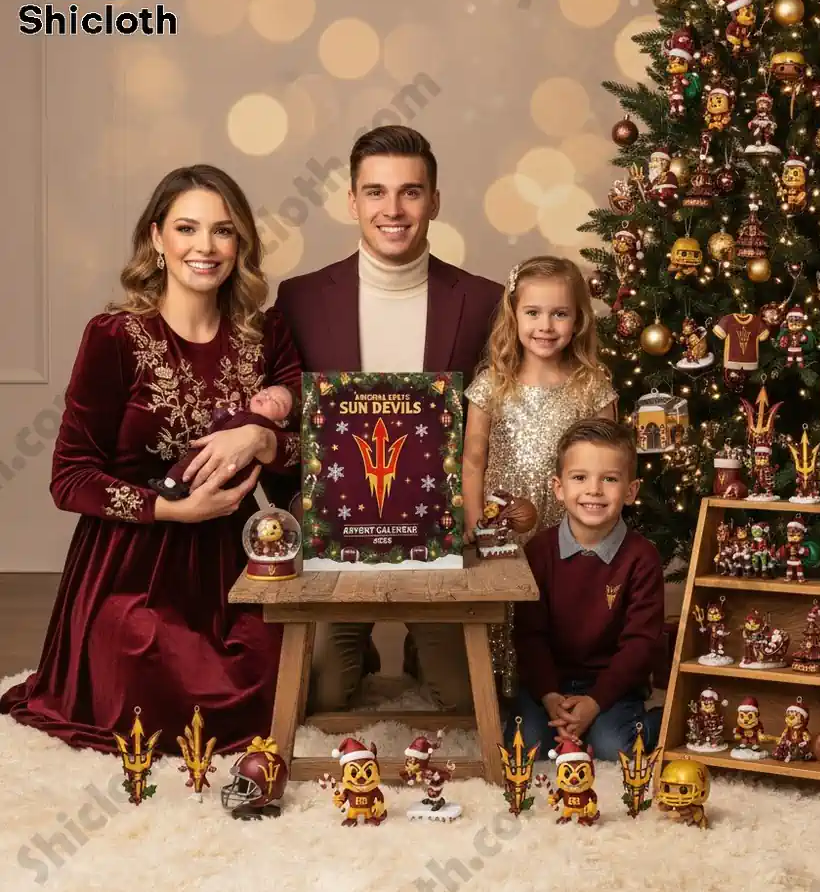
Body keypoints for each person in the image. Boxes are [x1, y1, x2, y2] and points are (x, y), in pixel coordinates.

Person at [0, 165, 302, 755]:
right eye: (187, 228)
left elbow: (306, 456)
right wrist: (173, 510)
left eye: (222, 231)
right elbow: (69, 478)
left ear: (239, 244)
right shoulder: (113, 336)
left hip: (236, 560)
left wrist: (262, 441)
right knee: (149, 664)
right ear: (157, 238)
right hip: (133, 562)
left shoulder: (265, 335)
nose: (204, 246)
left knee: (276, 669)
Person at [272, 126, 502, 714]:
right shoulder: (300, 298)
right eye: (375, 192)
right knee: (323, 695)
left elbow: (495, 418)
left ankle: (425, 644)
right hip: (339, 535)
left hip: (436, 536)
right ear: (352, 201)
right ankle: (362, 646)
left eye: (410, 192)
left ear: (435, 201)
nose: (392, 210)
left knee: (462, 700)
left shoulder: (482, 300)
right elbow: (285, 415)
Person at [462, 256, 617, 696]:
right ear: (514, 315)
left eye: (559, 313)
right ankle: (503, 695)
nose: (545, 326)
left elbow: (609, 464)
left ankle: (557, 692)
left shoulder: (592, 385)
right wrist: (475, 521)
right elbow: (473, 459)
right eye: (533, 312)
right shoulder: (492, 383)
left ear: (578, 319)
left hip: (567, 524)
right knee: (506, 611)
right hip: (503, 524)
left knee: (559, 608)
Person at [505, 418, 664, 761]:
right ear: (559, 487)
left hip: (614, 685)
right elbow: (529, 635)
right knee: (526, 747)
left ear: (631, 491)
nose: (594, 490)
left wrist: (595, 702)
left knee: (614, 748)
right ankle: (563, 715)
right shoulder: (539, 551)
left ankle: (663, 720)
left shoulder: (642, 557)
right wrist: (549, 696)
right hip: (550, 683)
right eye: (580, 478)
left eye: (610, 479)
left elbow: (640, 644)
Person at [150, 385, 294, 500]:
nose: (267, 397)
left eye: (276, 402)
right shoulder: (242, 413)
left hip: (227, 474)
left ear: (281, 423)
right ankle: (173, 485)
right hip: (211, 454)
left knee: (189, 466)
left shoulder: (260, 423)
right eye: (266, 391)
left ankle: (171, 484)